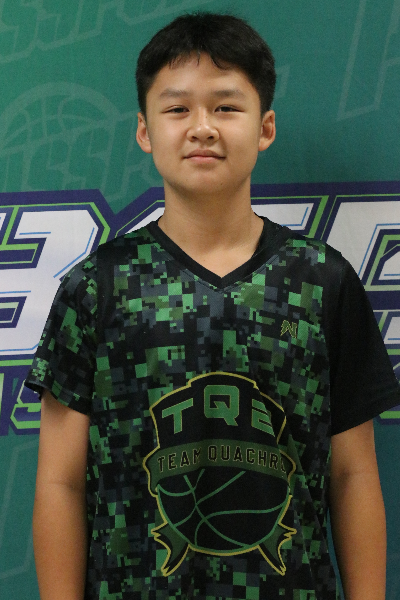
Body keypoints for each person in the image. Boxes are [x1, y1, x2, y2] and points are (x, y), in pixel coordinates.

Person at [26, 12, 400, 600]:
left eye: (226, 107)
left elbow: (353, 475)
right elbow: (60, 483)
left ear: (265, 126)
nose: (202, 128)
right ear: (145, 131)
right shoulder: (97, 286)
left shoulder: (322, 281)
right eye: (177, 109)